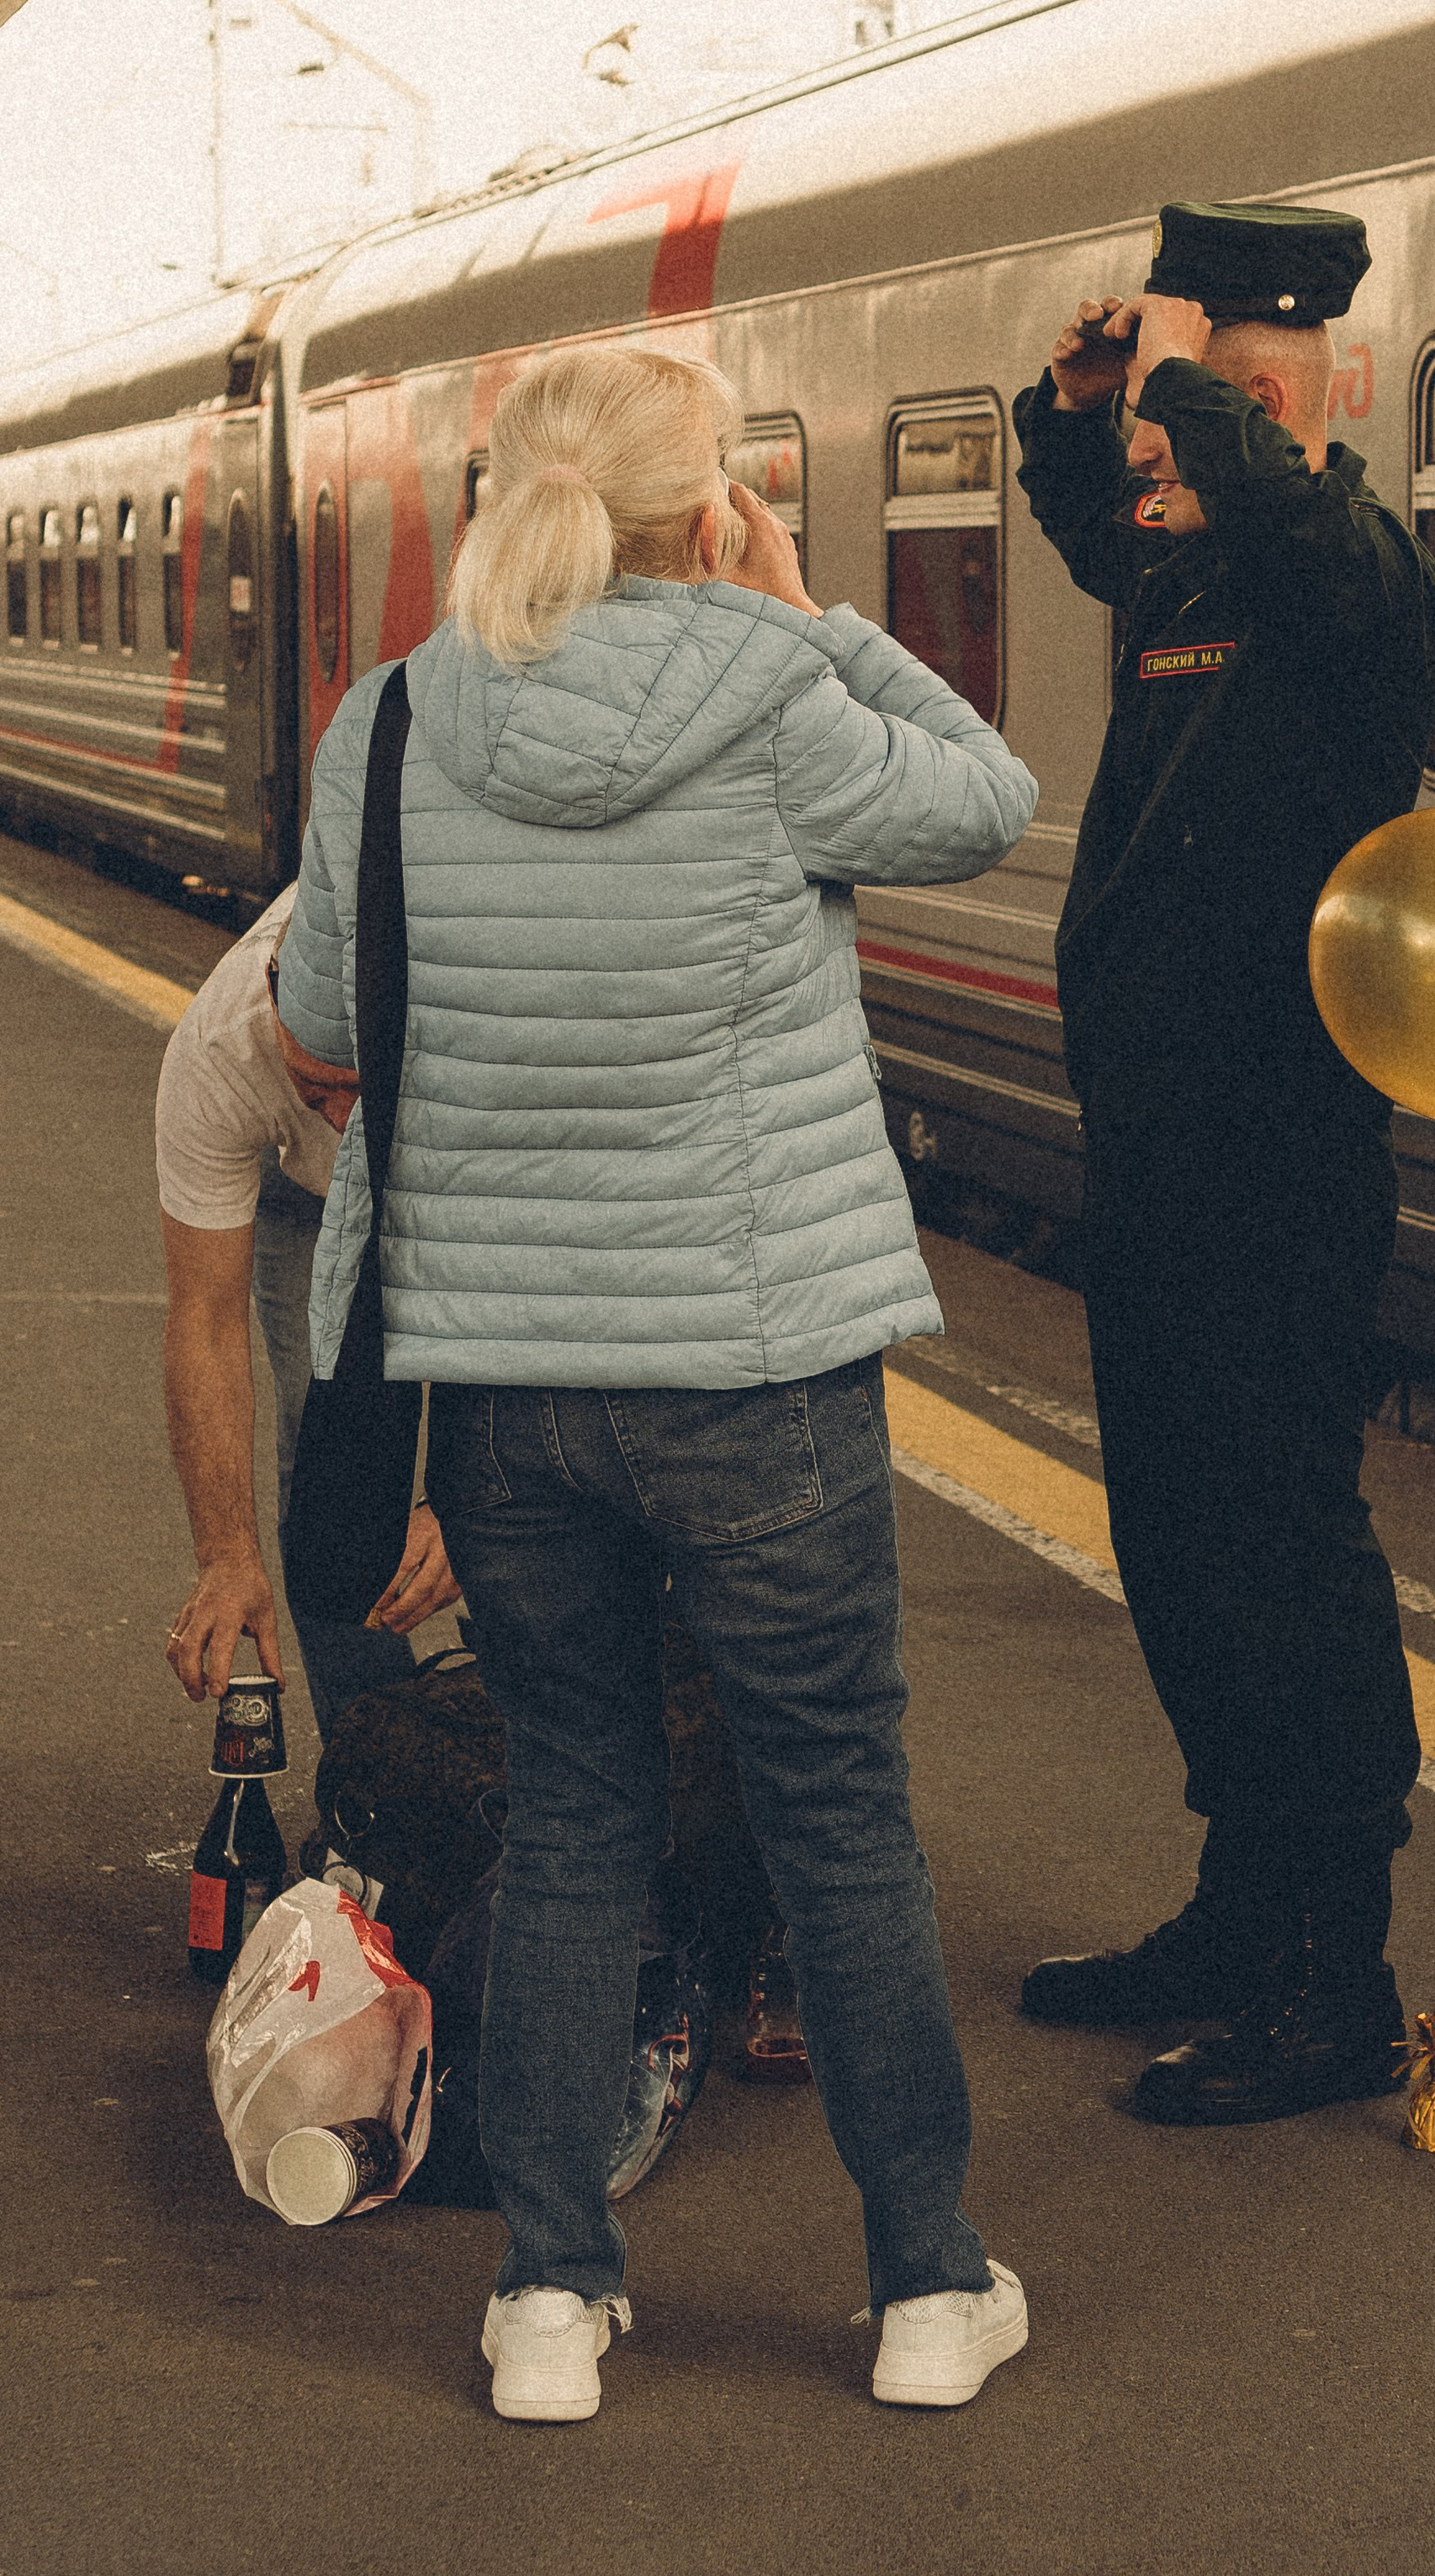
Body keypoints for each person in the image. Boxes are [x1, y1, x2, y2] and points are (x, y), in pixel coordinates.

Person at [277, 339, 1039, 2424]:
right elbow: (986, 794)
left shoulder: (400, 719)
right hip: (757, 1364)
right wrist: (801, 610)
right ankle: (922, 2289)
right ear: (710, 513)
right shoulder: (775, 694)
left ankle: (548, 2293)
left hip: (509, 1378)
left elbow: (327, 1001)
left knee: (583, 1797)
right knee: (836, 1820)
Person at [1013, 199, 1435, 2128]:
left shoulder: (1350, 576)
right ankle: (1230, 1904)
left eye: (1196, 425)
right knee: (1179, 1548)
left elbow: (1283, 516)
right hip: (1159, 1156)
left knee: (1279, 1551)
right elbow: (1104, 530)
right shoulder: (1190, 584)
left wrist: (1195, 384)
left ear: (1292, 405)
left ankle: (1325, 1977)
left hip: (1278, 1160)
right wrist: (1072, 411)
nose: (1155, 471)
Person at [157, 887, 454, 1725]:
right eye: (319, 1093)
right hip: (306, 1198)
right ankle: (381, 1762)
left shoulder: (495, 1016)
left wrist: (461, 1498)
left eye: (363, 1092)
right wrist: (224, 1554)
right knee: (325, 1453)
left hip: (475, 1166)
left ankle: (550, 1756)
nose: (350, 1131)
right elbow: (203, 1320)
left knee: (534, 1483)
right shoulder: (222, 1043)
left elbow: (559, 1304)